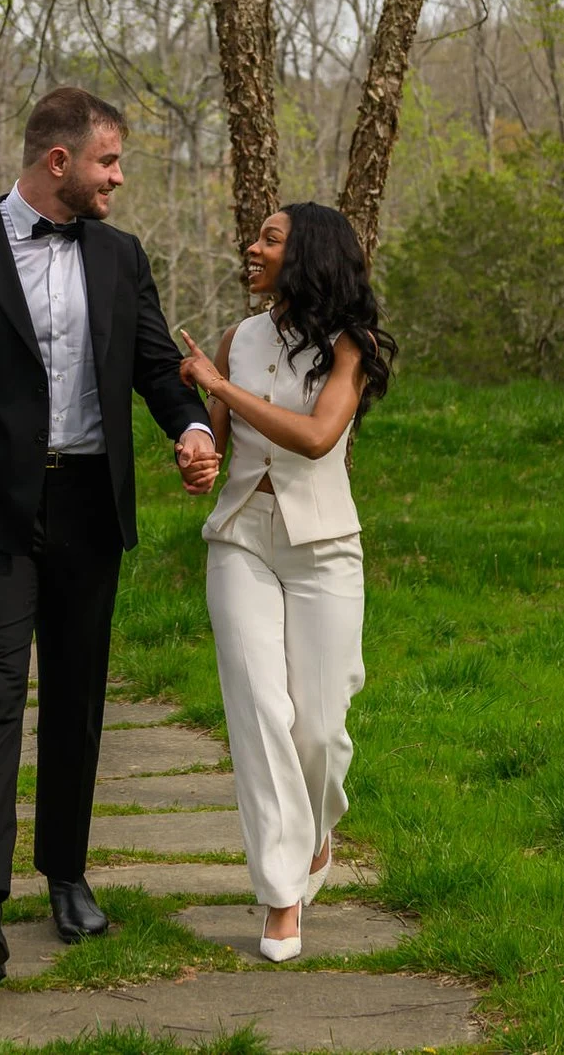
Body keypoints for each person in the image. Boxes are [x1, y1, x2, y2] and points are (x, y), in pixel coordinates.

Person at [0, 87, 220, 985]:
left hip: (90, 511)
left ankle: (66, 874)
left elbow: (151, 363)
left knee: (77, 699)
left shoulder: (121, 255)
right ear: (58, 161)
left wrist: (190, 427)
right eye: (109, 161)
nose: (119, 177)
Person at [176, 201, 395, 963]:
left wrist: (218, 384)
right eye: (257, 234)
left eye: (270, 238)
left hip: (325, 548)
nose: (253, 245)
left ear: (307, 254)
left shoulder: (349, 345)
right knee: (260, 710)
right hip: (241, 538)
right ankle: (279, 895)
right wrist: (198, 458)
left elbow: (314, 437)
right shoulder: (240, 337)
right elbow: (216, 444)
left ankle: (317, 830)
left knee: (320, 728)